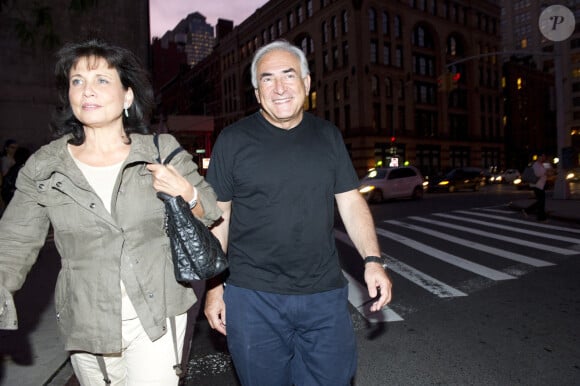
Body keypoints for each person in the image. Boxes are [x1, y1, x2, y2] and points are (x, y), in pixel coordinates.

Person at [0, 38, 222, 385]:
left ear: (127, 96)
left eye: (102, 80)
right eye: (78, 81)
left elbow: (210, 210)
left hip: (158, 313)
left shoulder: (160, 151)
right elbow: (13, 240)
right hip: (88, 320)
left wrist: (187, 192)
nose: (87, 90)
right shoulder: (46, 166)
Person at [204, 40, 393, 386]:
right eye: (267, 79)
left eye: (289, 76)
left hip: (322, 295)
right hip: (252, 296)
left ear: (306, 84)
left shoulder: (328, 136)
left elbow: (351, 202)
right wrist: (214, 287)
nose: (279, 88)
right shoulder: (232, 141)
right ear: (257, 92)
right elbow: (220, 216)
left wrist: (372, 260)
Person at [525, 153, 549, 221]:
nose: (544, 158)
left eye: (545, 156)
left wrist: (549, 169)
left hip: (542, 185)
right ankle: (527, 211)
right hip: (536, 185)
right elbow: (537, 174)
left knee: (542, 202)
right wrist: (545, 172)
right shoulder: (536, 164)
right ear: (539, 157)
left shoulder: (544, 164)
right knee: (541, 202)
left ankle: (541, 218)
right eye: (543, 156)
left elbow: (550, 171)